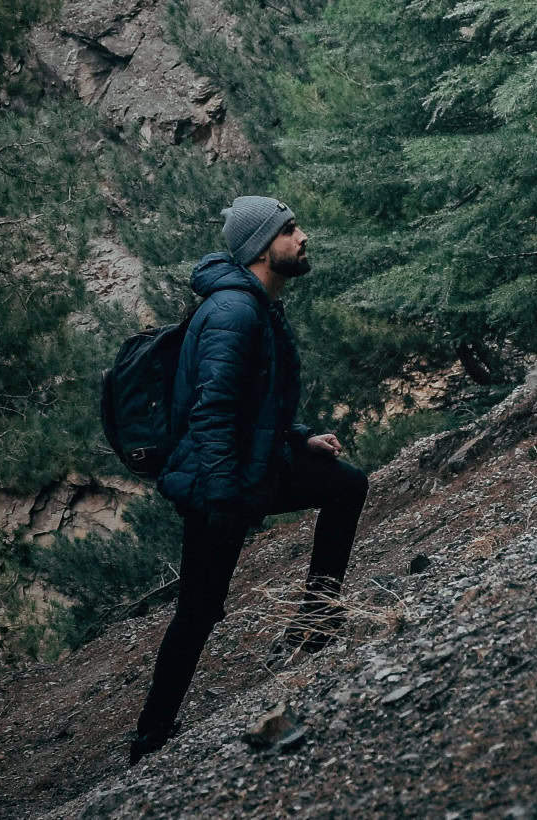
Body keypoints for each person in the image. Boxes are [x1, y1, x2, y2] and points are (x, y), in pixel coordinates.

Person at [129, 196, 369, 766]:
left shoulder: (259, 306)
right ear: (264, 246)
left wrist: (299, 438)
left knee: (345, 484)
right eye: (290, 229)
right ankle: (149, 739)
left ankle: (316, 622)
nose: (302, 236)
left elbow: (258, 405)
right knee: (199, 611)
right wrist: (221, 499)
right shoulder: (235, 313)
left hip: (253, 466)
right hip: (221, 482)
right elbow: (211, 413)